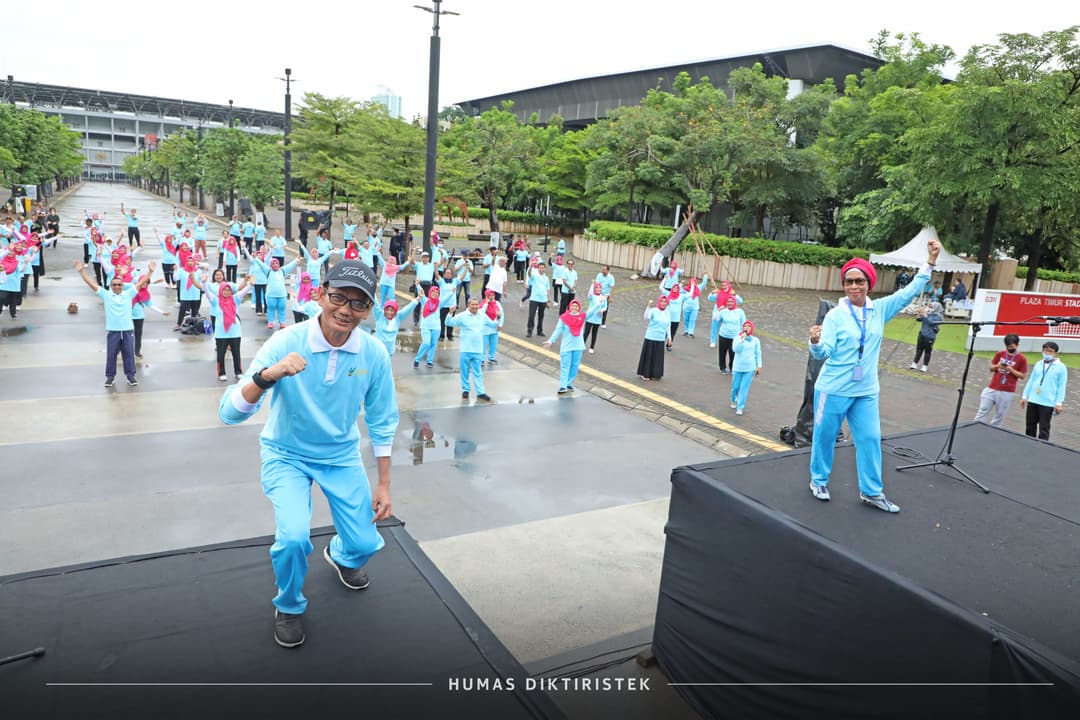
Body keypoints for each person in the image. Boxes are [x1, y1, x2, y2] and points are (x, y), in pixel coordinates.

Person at [218, 260, 396, 649]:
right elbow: (228, 412)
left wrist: (383, 482)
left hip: (340, 455)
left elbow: (383, 419)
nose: (346, 310)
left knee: (364, 545)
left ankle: (340, 555)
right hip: (286, 453)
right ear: (320, 294)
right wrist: (267, 377)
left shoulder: (374, 354)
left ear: (369, 309)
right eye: (338, 297)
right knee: (295, 537)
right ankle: (289, 605)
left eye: (359, 303)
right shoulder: (286, 342)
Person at [808, 240, 940, 513]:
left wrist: (930, 261)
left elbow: (911, 291)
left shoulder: (879, 309)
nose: (854, 286)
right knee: (825, 436)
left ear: (869, 283)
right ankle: (818, 480)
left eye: (859, 281)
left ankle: (871, 491)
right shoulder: (835, 316)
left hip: (866, 390)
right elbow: (824, 353)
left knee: (870, 439)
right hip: (833, 389)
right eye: (849, 282)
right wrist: (816, 342)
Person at [73, 259, 155, 387]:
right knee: (111, 355)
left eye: (119, 284)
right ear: (111, 286)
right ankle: (110, 377)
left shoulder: (128, 294)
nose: (117, 286)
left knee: (129, 354)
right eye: (114, 285)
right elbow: (92, 285)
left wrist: (150, 272)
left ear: (123, 286)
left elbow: (141, 283)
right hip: (113, 331)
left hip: (127, 330)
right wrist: (82, 272)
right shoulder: (106, 295)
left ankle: (131, 376)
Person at [446, 296, 500, 401]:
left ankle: (481, 392)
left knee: (477, 371)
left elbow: (492, 324)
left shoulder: (482, 316)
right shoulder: (462, 316)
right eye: (473, 305)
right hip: (465, 349)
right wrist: (450, 313)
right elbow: (448, 323)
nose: (475, 306)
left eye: (476, 304)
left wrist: (498, 318)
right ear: (468, 305)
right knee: (465, 371)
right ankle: (465, 390)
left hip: (478, 349)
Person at [974, 334, 1028, 427]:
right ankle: (976, 427)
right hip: (992, 387)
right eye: (1007, 346)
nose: (1009, 348)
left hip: (1007, 390)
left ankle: (994, 431)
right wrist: (997, 366)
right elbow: (991, 368)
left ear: (1017, 345)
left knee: (1000, 415)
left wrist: (1011, 370)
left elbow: (1022, 375)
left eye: (1012, 346)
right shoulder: (1000, 354)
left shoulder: (1022, 359)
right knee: (983, 409)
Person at [1020, 341, 1068, 441]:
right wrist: (1024, 396)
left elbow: (1061, 386)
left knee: (1044, 429)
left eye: (1051, 351)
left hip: (1047, 402)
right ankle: (1028, 445)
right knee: (1030, 426)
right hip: (1033, 399)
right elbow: (1031, 380)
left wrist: (1059, 403)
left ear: (1056, 353)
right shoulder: (1039, 364)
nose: (1048, 353)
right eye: (1046, 351)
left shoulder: (1061, 367)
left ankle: (1042, 448)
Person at [544, 298, 586, 394]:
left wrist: (600, 303)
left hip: (578, 347)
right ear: (569, 307)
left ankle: (569, 384)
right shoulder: (563, 318)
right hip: (566, 347)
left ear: (578, 308)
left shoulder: (582, 317)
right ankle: (563, 386)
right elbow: (558, 330)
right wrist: (550, 341)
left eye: (576, 306)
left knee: (574, 366)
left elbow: (592, 311)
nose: (574, 307)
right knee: (565, 366)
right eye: (572, 306)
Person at [730, 320, 762, 416]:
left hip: (749, 368)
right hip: (738, 367)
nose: (746, 328)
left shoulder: (755, 340)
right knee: (735, 387)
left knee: (744, 388)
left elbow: (758, 353)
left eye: (748, 326)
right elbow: (736, 350)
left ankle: (740, 406)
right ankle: (733, 399)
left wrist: (759, 365)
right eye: (745, 326)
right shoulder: (737, 338)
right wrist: (741, 340)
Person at [637, 296, 673, 381]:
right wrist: (648, 306)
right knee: (649, 356)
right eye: (662, 301)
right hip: (651, 336)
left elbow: (668, 326)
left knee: (657, 358)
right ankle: (645, 374)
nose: (663, 303)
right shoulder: (654, 310)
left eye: (665, 302)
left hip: (660, 338)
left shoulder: (668, 312)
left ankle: (655, 374)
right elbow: (646, 317)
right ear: (659, 302)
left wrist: (669, 338)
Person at [715, 296, 746, 374]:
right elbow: (715, 319)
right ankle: (722, 368)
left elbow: (744, 323)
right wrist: (718, 310)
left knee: (733, 354)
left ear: (735, 302)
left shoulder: (740, 311)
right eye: (728, 302)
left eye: (731, 301)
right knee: (722, 353)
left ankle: (732, 368)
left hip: (735, 337)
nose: (730, 303)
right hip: (723, 335)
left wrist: (743, 333)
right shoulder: (723, 311)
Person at [413, 284, 442, 369]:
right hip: (425, 326)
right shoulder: (425, 300)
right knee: (426, 342)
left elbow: (448, 298)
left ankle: (429, 361)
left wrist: (452, 292)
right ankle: (417, 359)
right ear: (430, 292)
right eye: (433, 291)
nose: (435, 293)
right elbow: (421, 292)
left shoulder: (440, 302)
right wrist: (418, 285)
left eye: (437, 292)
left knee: (433, 344)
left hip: (436, 327)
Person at [910, 302, 943, 372]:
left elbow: (931, 323)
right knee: (919, 349)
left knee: (927, 351)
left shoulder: (938, 316)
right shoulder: (927, 313)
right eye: (930, 307)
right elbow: (918, 319)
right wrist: (919, 312)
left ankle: (925, 366)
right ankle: (914, 363)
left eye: (932, 307)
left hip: (930, 336)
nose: (930, 308)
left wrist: (925, 316)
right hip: (922, 334)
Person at [525, 261, 552, 338]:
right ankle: (529, 330)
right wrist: (530, 267)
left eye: (543, 268)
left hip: (543, 300)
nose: (541, 269)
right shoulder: (535, 276)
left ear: (545, 269)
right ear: (538, 269)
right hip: (534, 299)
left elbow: (548, 290)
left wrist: (548, 301)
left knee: (541, 316)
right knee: (531, 316)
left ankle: (539, 331)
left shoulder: (546, 278)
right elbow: (529, 274)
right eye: (540, 268)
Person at [582, 282, 607, 354]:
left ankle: (592, 347)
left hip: (598, 318)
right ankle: (582, 345)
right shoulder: (592, 296)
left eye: (600, 288)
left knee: (594, 333)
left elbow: (605, 307)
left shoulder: (603, 297)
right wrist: (592, 284)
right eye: (597, 288)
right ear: (594, 289)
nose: (598, 289)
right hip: (590, 317)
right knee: (586, 332)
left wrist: (602, 310)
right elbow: (589, 294)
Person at [480, 289, 504, 364]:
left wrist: (500, 324)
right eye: (489, 295)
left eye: (492, 295)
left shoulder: (497, 303)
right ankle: (481, 358)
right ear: (486, 295)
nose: (491, 297)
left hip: (494, 327)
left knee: (494, 343)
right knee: (484, 344)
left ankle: (491, 357)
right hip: (485, 328)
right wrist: (486, 303)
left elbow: (502, 314)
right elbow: (481, 313)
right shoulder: (483, 304)